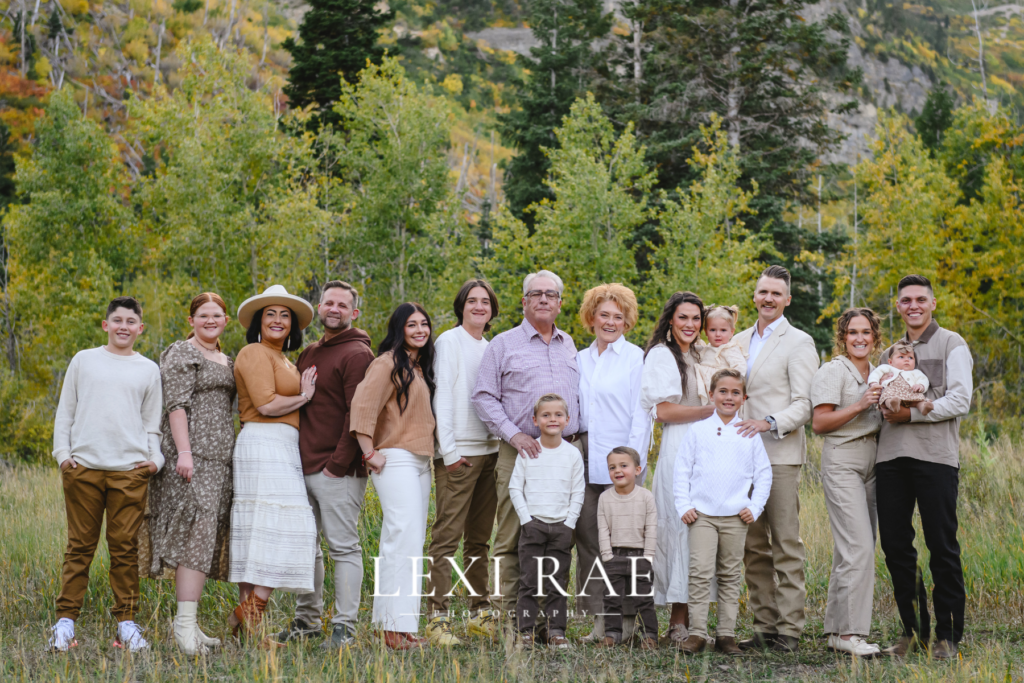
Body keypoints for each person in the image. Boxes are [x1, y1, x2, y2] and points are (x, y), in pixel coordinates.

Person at [48, 296, 163, 653]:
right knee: (79, 547)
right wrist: (63, 455)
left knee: (124, 549)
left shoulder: (148, 369)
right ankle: (65, 623)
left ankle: (126, 625)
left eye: (131, 321)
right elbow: (65, 411)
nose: (123, 327)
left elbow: (151, 424)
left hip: (129, 472)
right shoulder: (85, 360)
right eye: (117, 320)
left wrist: (154, 459)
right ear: (106, 325)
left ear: (140, 329)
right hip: (83, 470)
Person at [472, 269, 583, 630]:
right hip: (519, 451)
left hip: (564, 453)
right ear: (524, 301)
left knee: (556, 536)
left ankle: (549, 620)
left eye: (551, 294)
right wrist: (513, 435)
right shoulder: (503, 344)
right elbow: (483, 396)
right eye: (536, 294)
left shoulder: (569, 345)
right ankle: (512, 620)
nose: (543, 300)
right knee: (512, 533)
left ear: (560, 303)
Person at [875, 274, 973, 660]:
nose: (913, 306)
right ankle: (912, 632)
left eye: (920, 299)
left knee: (941, 545)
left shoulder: (952, 343)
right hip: (891, 460)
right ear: (897, 306)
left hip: (936, 458)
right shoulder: (888, 355)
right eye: (906, 300)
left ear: (933, 303)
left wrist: (913, 417)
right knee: (897, 547)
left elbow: (960, 400)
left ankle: (948, 636)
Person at [275, 281, 375, 650]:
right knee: (307, 548)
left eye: (342, 304)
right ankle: (307, 621)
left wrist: (337, 464)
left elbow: (359, 414)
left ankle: (345, 626)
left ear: (354, 312)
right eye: (328, 302)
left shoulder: (358, 354)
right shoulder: (311, 351)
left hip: (338, 471)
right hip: (302, 467)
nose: (334, 308)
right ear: (319, 308)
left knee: (343, 548)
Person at [144, 292, 236, 655]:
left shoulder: (226, 358)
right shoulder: (183, 352)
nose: (210, 320)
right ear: (191, 320)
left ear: (226, 320)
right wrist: (184, 453)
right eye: (203, 315)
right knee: (194, 535)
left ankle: (190, 624)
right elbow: (176, 406)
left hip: (219, 461)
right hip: (191, 456)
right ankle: (183, 625)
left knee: (204, 536)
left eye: (216, 315)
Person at [732, 265, 819, 652]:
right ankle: (764, 626)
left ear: (787, 299)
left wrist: (769, 423)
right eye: (762, 291)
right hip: (739, 457)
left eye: (776, 293)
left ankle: (790, 629)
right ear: (754, 296)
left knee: (785, 542)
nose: (768, 299)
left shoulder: (799, 341)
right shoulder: (735, 341)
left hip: (779, 453)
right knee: (752, 546)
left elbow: (806, 403)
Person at [228, 285, 318, 645]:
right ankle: (249, 610)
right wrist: (304, 396)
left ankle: (251, 627)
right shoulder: (253, 352)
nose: (278, 320)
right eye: (271, 314)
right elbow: (265, 405)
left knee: (263, 530)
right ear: (258, 322)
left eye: (285, 315)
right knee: (286, 525)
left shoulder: (284, 359)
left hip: (284, 445)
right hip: (262, 443)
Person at [351, 303, 437, 650]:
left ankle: (400, 626)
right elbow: (363, 407)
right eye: (412, 324)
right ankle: (390, 629)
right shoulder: (385, 362)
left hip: (420, 460)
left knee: (410, 543)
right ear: (399, 328)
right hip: (394, 458)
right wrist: (369, 452)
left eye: (425, 324)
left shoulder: (417, 366)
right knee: (401, 538)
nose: (420, 330)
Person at [675, 368, 772, 655]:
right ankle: (697, 634)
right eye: (723, 391)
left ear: (744, 398)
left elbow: (763, 474)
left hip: (735, 516)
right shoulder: (698, 430)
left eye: (735, 393)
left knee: (730, 575)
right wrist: (684, 504)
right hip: (702, 515)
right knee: (700, 572)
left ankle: (726, 635)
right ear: (712, 395)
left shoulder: (749, 433)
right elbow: (682, 470)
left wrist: (754, 507)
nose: (728, 397)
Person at [426, 280, 502, 646]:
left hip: (490, 452)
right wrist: (449, 451)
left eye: (484, 301)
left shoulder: (491, 346)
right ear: (461, 306)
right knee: (446, 538)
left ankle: (479, 612)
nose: (478, 306)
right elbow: (442, 395)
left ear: (492, 309)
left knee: (478, 540)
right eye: (471, 301)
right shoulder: (449, 341)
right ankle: (436, 617)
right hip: (459, 456)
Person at [574, 283, 650, 641]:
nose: (610, 322)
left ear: (627, 321)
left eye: (618, 316)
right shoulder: (579, 358)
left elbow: (642, 413)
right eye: (604, 314)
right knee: (590, 538)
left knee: (626, 543)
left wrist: (633, 464)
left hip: (621, 454)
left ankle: (630, 621)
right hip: (585, 455)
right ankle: (601, 622)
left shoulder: (635, 357)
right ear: (592, 317)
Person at [639, 291, 715, 643]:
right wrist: (708, 411)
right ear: (671, 319)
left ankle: (692, 621)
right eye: (683, 317)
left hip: (706, 448)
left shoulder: (698, 355)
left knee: (701, 529)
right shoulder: (661, 355)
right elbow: (663, 410)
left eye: (696, 319)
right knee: (678, 528)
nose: (690, 325)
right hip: (679, 445)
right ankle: (676, 623)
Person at [810, 308, 884, 657]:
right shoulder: (833, 370)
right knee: (860, 547)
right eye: (852, 332)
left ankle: (836, 632)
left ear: (874, 337)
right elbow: (820, 423)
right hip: (842, 459)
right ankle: (852, 633)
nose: (859, 338)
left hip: (874, 460)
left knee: (851, 548)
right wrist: (859, 405)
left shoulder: (882, 372)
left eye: (866, 332)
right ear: (843, 337)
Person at [508, 393, 585, 650]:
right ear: (535, 420)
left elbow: (578, 491)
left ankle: (555, 632)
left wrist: (570, 524)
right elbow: (515, 488)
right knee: (529, 581)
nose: (552, 418)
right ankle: (526, 632)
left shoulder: (572, 454)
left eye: (558, 415)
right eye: (546, 415)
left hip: (561, 527)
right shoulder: (529, 452)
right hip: (533, 526)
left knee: (557, 582)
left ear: (567, 420)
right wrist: (526, 520)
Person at [596, 446, 658, 650]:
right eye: (612, 467)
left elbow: (651, 527)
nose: (618, 470)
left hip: (640, 555)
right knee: (612, 598)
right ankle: (612, 635)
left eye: (624, 465)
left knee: (644, 599)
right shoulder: (605, 498)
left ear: (638, 470)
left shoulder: (645, 496)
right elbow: (603, 527)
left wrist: (648, 556)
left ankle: (649, 636)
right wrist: (607, 556)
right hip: (615, 555)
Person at [694, 305, 747, 404]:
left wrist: (729, 387)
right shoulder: (706, 348)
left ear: (731, 332)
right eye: (713, 330)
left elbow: (740, 368)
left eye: (723, 330)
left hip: (723, 392)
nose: (718, 334)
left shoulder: (729, 349)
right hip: (708, 393)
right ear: (706, 332)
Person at [867, 342, 933, 415]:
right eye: (901, 357)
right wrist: (874, 383)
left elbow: (924, 380)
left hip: (910, 393)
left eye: (910, 357)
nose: (907, 360)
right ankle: (893, 404)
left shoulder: (915, 372)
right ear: (890, 362)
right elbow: (876, 373)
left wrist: (921, 386)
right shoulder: (887, 368)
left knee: (919, 400)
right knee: (887, 398)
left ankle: (924, 407)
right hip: (892, 393)